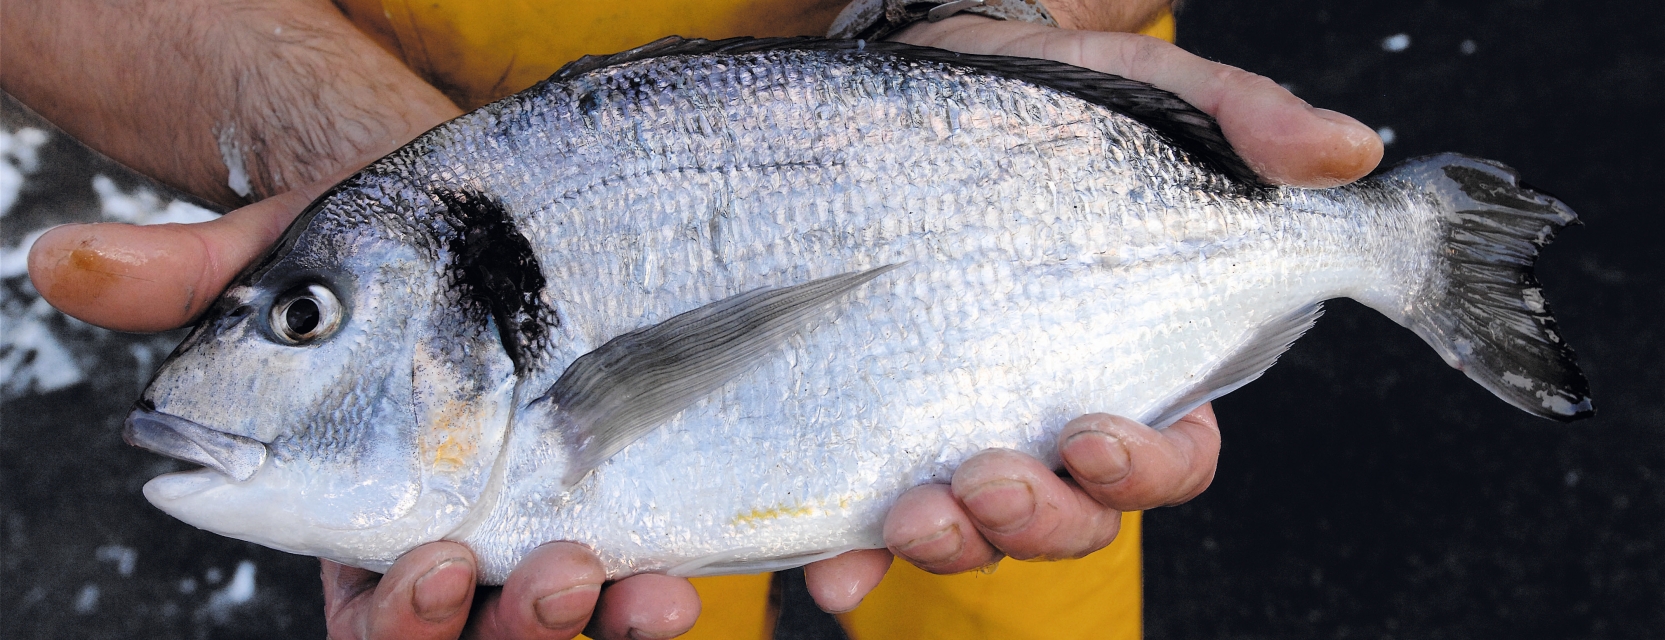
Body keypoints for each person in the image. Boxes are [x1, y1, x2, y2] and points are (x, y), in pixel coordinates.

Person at [1, 0, 1382, 638]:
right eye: (308, 314)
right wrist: (357, 149)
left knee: (1005, 559)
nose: (286, 337)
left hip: (986, 314)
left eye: (307, 315)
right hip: (428, 100)